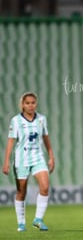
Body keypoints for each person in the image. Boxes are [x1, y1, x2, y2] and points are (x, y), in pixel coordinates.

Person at [2, 92, 55, 231]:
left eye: (33, 103)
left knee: (45, 186)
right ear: (23, 105)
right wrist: (6, 162)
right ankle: (21, 223)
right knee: (21, 192)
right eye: (28, 103)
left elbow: (46, 138)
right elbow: (10, 142)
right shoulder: (16, 121)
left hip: (38, 157)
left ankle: (38, 220)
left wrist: (51, 156)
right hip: (22, 159)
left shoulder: (42, 119)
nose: (31, 105)